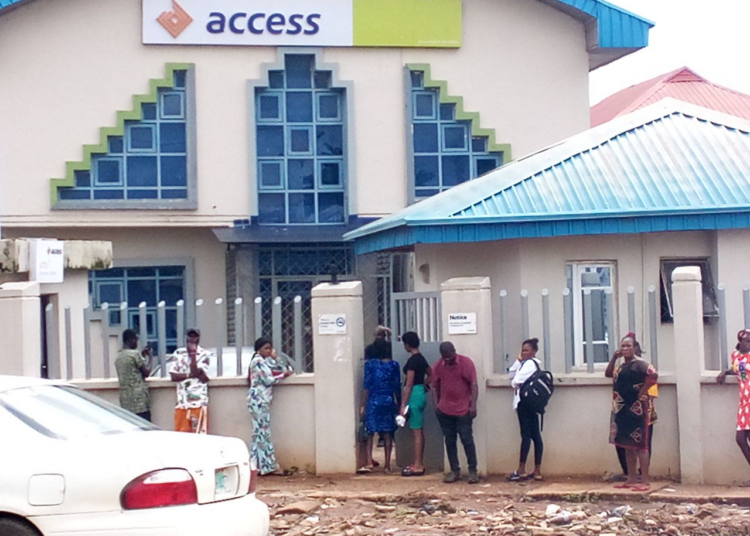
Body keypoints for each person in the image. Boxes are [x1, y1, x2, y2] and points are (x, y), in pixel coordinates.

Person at [606, 333, 658, 491]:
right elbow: (609, 374)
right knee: (627, 445)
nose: (625, 348)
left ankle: (645, 481)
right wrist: (614, 358)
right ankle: (631, 478)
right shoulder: (621, 366)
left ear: (635, 348)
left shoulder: (640, 364)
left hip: (638, 410)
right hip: (623, 409)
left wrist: (642, 392)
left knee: (641, 446)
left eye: (629, 346)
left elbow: (653, 376)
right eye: (623, 346)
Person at [432, 341, 479, 484]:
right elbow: (434, 386)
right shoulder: (438, 366)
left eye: (449, 356)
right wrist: (437, 406)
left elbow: (474, 385)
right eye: (444, 357)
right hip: (445, 410)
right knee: (450, 440)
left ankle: (473, 471)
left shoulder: (466, 363)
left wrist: (473, 405)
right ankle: (454, 471)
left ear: (454, 351)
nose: (447, 359)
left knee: (467, 439)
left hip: (463, 409)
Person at [247, 337, 293, 476]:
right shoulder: (257, 362)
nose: (268, 351)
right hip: (259, 400)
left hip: (262, 400)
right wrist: (282, 376)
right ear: (259, 349)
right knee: (262, 433)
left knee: (258, 434)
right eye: (266, 348)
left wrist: (276, 358)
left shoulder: (265, 361)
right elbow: (268, 380)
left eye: (270, 348)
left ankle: (255, 465)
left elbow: (284, 368)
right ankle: (268, 465)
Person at [359, 337, 401, 473]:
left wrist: (363, 404)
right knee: (388, 433)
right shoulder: (394, 365)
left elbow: (367, 385)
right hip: (388, 399)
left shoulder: (370, 365)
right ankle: (387, 465)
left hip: (373, 400)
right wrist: (400, 403)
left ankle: (369, 461)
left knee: (370, 432)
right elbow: (396, 386)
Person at [508, 338, 544, 482]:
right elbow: (511, 374)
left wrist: (516, 378)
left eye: (527, 350)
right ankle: (536, 470)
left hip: (525, 403)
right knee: (535, 435)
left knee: (527, 435)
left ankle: (522, 469)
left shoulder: (530, 364)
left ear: (534, 351)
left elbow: (514, 381)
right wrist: (518, 360)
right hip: (531, 403)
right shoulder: (525, 363)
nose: (524, 353)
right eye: (522, 350)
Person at [716, 329, 750, 479]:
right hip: (744, 401)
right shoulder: (736, 356)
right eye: (747, 341)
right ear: (740, 342)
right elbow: (740, 371)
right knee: (741, 439)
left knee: (742, 438)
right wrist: (726, 372)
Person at [399, 331, 432, 477]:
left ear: (407, 344)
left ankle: (418, 464)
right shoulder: (422, 359)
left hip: (413, 395)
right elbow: (432, 374)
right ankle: (418, 462)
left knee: (416, 430)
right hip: (420, 393)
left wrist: (403, 404)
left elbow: (409, 384)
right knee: (418, 428)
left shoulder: (412, 361)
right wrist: (424, 385)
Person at [168, 328, 212, 434]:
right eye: (190, 336)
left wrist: (193, 354)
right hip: (182, 403)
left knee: (198, 435)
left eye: (195, 336)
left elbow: (197, 371)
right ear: (186, 338)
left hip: (198, 403)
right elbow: (173, 376)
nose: (192, 339)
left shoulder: (204, 354)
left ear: (199, 338)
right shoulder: (178, 353)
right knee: (181, 436)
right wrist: (191, 375)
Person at [114, 329, 153, 421]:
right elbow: (146, 373)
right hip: (139, 401)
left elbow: (132, 369)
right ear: (130, 340)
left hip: (126, 401)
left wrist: (142, 355)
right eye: (135, 340)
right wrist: (150, 357)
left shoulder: (119, 356)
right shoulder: (134, 354)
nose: (137, 343)